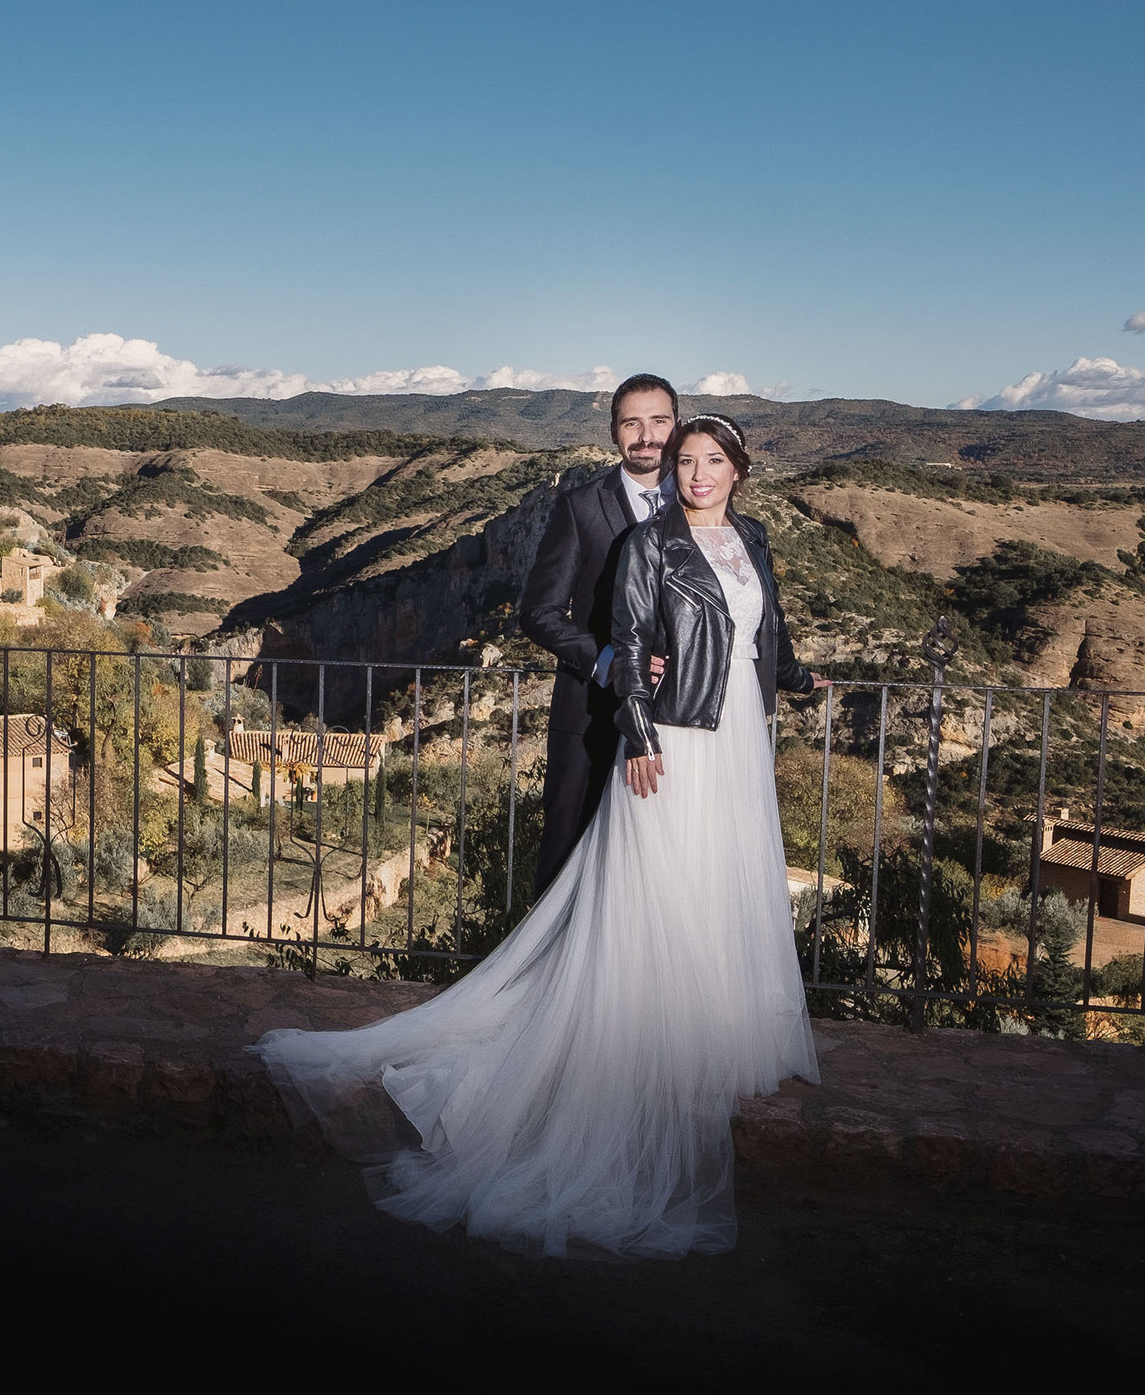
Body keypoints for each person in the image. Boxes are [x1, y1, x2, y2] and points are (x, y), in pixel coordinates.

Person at [254, 416, 821, 1258]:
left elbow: (757, 631)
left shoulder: (754, 536)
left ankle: (711, 1033)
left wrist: (802, 676)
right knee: (657, 886)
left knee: (719, 876)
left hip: (738, 731)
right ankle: (634, 1046)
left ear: (740, 470)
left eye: (713, 461)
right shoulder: (649, 542)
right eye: (685, 461)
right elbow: (628, 643)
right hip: (672, 735)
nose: (698, 474)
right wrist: (638, 736)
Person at [517, 373, 677, 899]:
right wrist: (608, 661)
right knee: (567, 863)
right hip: (589, 713)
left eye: (658, 421)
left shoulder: (703, 503)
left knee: (659, 866)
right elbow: (538, 612)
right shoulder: (580, 505)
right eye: (632, 422)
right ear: (614, 432)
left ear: (676, 427)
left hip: (678, 717)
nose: (646, 435)